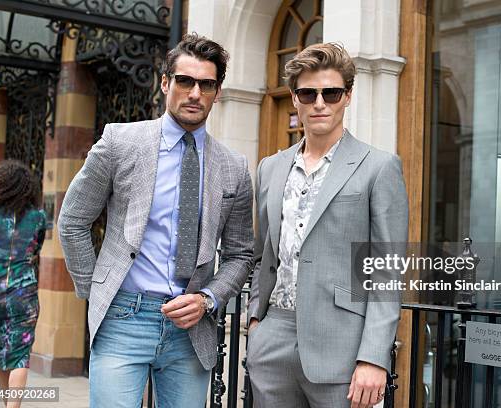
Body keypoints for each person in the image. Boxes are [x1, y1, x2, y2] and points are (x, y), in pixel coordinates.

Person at [58, 33, 254, 408]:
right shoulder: (120, 142)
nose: (195, 93)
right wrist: (96, 288)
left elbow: (241, 254)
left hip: (191, 328)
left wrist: (208, 299)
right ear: (166, 83)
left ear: (217, 91)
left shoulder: (234, 168)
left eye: (206, 84)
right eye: (185, 81)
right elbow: (72, 220)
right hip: (123, 316)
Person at [246, 43, 409, 408]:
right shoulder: (270, 168)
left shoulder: (378, 167)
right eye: (308, 93)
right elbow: (261, 254)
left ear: (347, 97)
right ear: (294, 99)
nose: (320, 103)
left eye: (331, 92)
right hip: (273, 339)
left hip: (344, 349)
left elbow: (386, 272)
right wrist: (256, 321)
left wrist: (373, 356)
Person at [0, 160, 46, 408]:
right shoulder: (38, 218)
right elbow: (37, 248)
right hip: (24, 293)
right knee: (20, 355)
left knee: (0, 349)